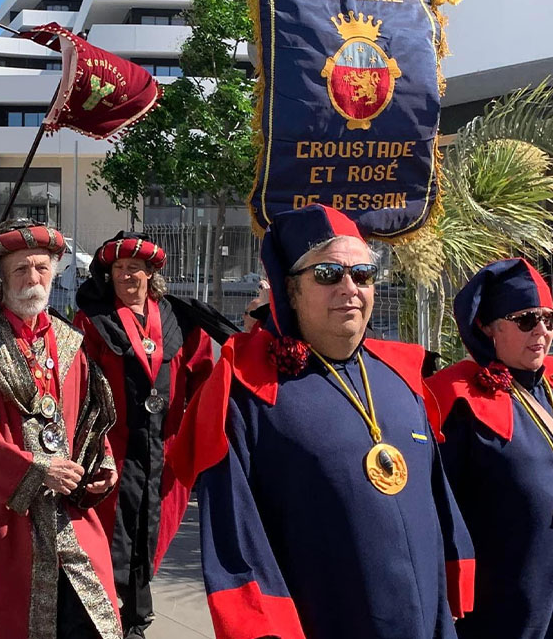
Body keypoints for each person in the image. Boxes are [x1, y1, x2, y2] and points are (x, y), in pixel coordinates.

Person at [170, 204, 474, 639]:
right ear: (290, 290)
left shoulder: (402, 379)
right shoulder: (247, 393)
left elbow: (438, 510)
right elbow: (238, 545)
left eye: (364, 274)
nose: (350, 288)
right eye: (328, 274)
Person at [0, 218, 122, 639]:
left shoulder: (70, 341)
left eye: (41, 268)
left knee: (91, 621)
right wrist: (36, 470)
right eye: (20, 269)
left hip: (65, 515)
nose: (32, 278)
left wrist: (100, 462)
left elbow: (90, 419)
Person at [73, 232, 218, 639]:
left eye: (134, 268)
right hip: (112, 444)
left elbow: (203, 371)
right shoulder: (94, 320)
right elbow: (79, 378)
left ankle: (137, 615)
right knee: (110, 528)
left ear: (151, 273)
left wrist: (198, 423)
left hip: (164, 444)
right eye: (118, 269)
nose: (126, 276)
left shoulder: (178, 319)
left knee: (151, 528)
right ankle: (105, 611)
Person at [425, 257, 553, 638]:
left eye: (549, 319)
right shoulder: (455, 398)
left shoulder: (547, 385)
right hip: (500, 601)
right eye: (526, 320)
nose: (541, 332)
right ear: (488, 327)